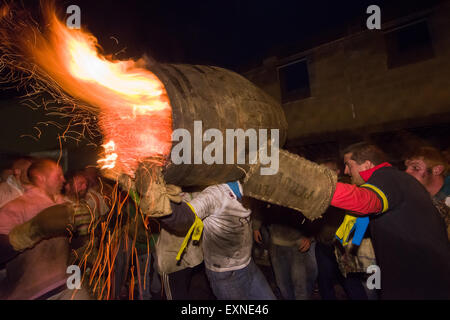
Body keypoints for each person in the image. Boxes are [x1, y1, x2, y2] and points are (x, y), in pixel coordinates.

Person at [329, 142, 450, 299]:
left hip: (418, 281)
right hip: (411, 276)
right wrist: (347, 247)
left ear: (366, 165)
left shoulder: (386, 176)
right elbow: (362, 217)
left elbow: (364, 202)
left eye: (348, 165)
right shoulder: (391, 181)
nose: (346, 171)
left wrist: (320, 186)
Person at [133, 169, 276, 300]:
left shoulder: (254, 188)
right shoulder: (215, 194)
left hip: (248, 265)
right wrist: (157, 200)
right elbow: (184, 217)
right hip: (226, 275)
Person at [0, 158, 91, 299]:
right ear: (40, 178)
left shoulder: (65, 206)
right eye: (58, 175)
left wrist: (82, 234)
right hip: (34, 292)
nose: (63, 180)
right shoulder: (16, 207)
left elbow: (67, 248)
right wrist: (32, 231)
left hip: (68, 282)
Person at [313, 159, 371, 300]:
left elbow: (361, 220)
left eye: (327, 171)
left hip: (341, 246)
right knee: (325, 281)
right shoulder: (319, 189)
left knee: (350, 282)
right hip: (323, 244)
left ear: (337, 172)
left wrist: (350, 247)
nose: (323, 174)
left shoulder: (346, 188)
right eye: (320, 171)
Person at [253, 202, 317, 300]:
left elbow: (315, 209)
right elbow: (261, 200)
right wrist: (256, 226)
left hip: (297, 242)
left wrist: (309, 237)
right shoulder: (275, 189)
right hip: (275, 239)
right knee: (282, 283)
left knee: (299, 283)